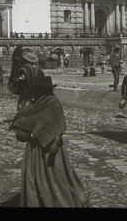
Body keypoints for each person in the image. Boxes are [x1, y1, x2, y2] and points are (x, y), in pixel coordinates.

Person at [10, 53, 89, 207]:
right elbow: (21, 128)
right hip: (41, 149)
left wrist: (33, 134)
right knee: (46, 178)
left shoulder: (50, 104)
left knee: (54, 177)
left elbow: (58, 127)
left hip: (49, 150)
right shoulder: (38, 104)